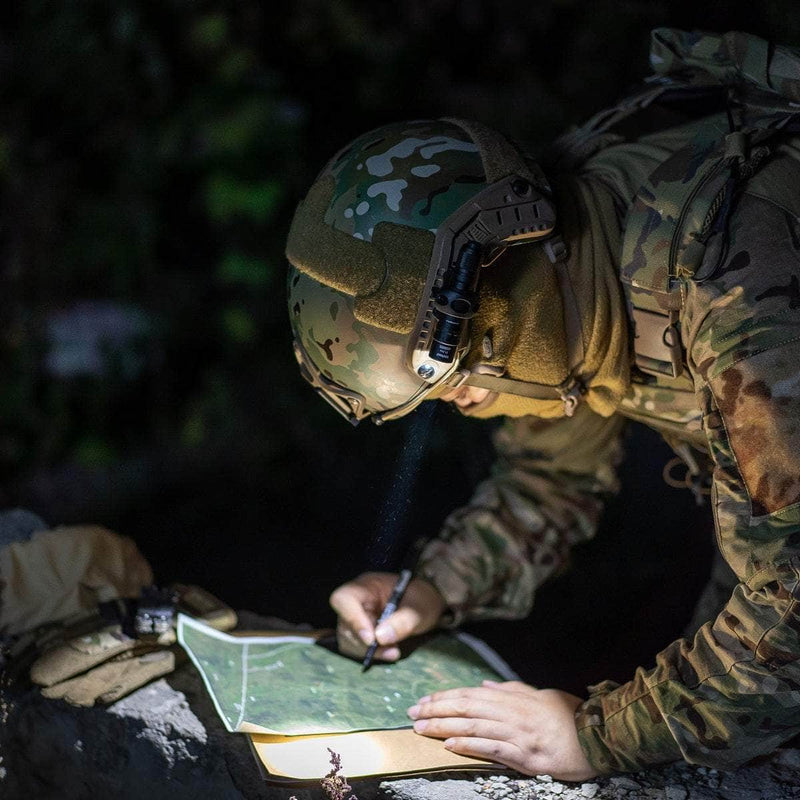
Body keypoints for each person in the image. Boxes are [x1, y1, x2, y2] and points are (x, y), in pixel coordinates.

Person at [285, 29, 800, 779]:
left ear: (507, 305)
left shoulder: (730, 281)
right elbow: (551, 480)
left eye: (460, 381)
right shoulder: (560, 278)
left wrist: (594, 736)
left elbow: (792, 605)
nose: (463, 404)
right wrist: (431, 590)